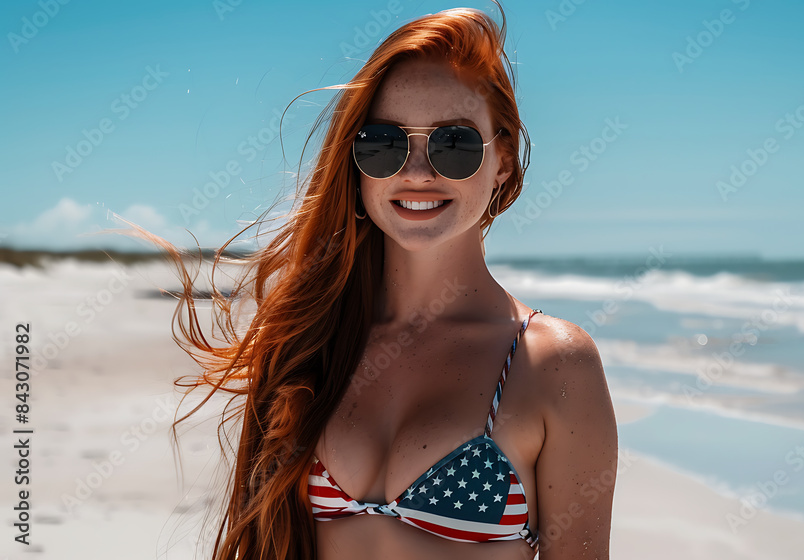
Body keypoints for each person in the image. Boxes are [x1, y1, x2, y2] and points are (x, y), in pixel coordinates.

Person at [155, 3, 617, 559]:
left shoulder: (551, 363)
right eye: (384, 144)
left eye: (454, 144)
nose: (417, 172)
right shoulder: (310, 340)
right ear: (355, 159)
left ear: (502, 160)